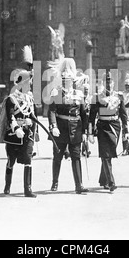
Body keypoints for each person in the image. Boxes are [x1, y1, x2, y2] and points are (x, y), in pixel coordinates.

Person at [48, 57, 89, 194]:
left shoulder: (79, 94)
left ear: (73, 81)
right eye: (64, 81)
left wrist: (84, 132)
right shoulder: (57, 93)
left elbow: (83, 114)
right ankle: (55, 182)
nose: (67, 83)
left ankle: (79, 185)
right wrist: (53, 126)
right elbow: (52, 111)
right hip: (60, 128)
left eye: (69, 80)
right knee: (58, 156)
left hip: (75, 128)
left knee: (76, 156)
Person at [0, 68, 38, 198]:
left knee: (28, 160)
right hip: (14, 135)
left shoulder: (30, 99)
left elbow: (33, 115)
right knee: (11, 161)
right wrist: (16, 128)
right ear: (23, 83)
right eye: (29, 82)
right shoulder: (11, 99)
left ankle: (28, 189)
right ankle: (7, 186)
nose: (30, 85)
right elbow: (10, 116)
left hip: (27, 134)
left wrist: (31, 124)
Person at [88, 71, 129, 192]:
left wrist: (126, 131)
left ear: (113, 83)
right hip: (102, 126)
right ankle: (111, 182)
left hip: (115, 127)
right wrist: (90, 133)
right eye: (106, 82)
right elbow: (91, 117)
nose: (109, 84)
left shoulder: (119, 96)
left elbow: (124, 115)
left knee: (109, 154)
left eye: (110, 82)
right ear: (103, 83)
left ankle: (103, 179)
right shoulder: (97, 97)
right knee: (105, 154)